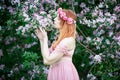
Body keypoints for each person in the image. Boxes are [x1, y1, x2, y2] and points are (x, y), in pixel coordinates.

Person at [35, 8, 79, 80]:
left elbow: (48, 61)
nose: (54, 19)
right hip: (56, 71)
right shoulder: (61, 40)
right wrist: (42, 39)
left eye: (57, 18)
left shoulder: (68, 40)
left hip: (64, 73)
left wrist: (45, 39)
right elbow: (46, 59)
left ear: (64, 22)